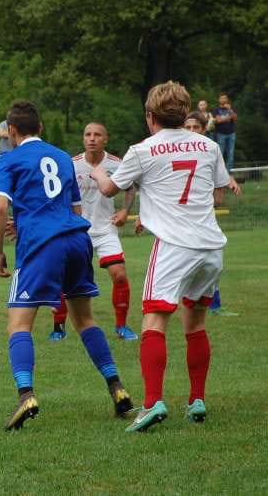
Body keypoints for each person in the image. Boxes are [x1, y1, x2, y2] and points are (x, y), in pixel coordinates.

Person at [92, 81, 231, 432]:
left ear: (150, 116)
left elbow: (109, 188)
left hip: (174, 246)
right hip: (211, 246)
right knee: (196, 323)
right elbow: (216, 196)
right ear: (186, 114)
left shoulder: (142, 150)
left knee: (153, 322)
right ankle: (197, 399)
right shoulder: (209, 145)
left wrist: (95, 169)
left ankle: (153, 403)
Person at [0, 100, 133, 430]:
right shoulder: (63, 158)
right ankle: (116, 386)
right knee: (85, 320)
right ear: (40, 128)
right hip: (76, 238)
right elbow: (74, 209)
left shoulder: (8, 158)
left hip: (42, 244)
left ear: (12, 131)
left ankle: (26, 394)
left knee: (19, 325)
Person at [48, 122, 138, 342]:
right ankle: (58, 327)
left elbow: (130, 188)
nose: (92, 138)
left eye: (97, 135)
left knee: (119, 275)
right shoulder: (71, 165)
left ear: (105, 139)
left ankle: (121, 326)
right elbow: (59, 195)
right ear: (83, 139)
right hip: (77, 231)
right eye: (88, 134)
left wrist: (125, 211)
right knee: (63, 277)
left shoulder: (117, 164)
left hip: (106, 229)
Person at [183, 111, 242, 317]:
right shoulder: (176, 151)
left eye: (195, 127)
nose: (191, 131)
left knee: (213, 264)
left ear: (203, 129)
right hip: (179, 220)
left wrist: (228, 182)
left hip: (203, 218)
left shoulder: (210, 150)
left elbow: (220, 175)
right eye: (187, 127)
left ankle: (214, 305)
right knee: (186, 267)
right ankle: (171, 304)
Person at [212, 93, 237, 171]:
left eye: (225, 98)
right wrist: (229, 117)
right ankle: (221, 171)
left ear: (227, 99)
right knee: (221, 153)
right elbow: (218, 120)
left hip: (231, 133)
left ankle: (229, 172)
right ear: (219, 100)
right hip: (220, 134)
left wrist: (229, 110)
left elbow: (235, 118)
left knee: (231, 154)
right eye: (222, 98)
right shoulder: (216, 110)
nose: (223, 99)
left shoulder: (231, 108)